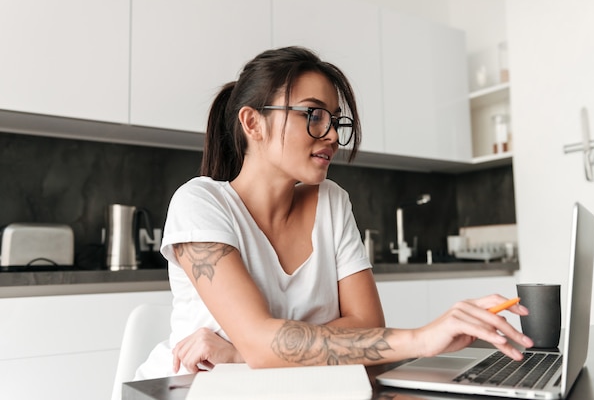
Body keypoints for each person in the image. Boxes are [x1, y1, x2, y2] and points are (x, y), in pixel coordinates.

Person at [135, 46, 532, 379]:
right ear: (253, 122)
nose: (333, 136)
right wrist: (421, 338)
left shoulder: (332, 201)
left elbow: (367, 327)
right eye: (313, 115)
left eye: (335, 119)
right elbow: (262, 341)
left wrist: (245, 352)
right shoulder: (200, 203)